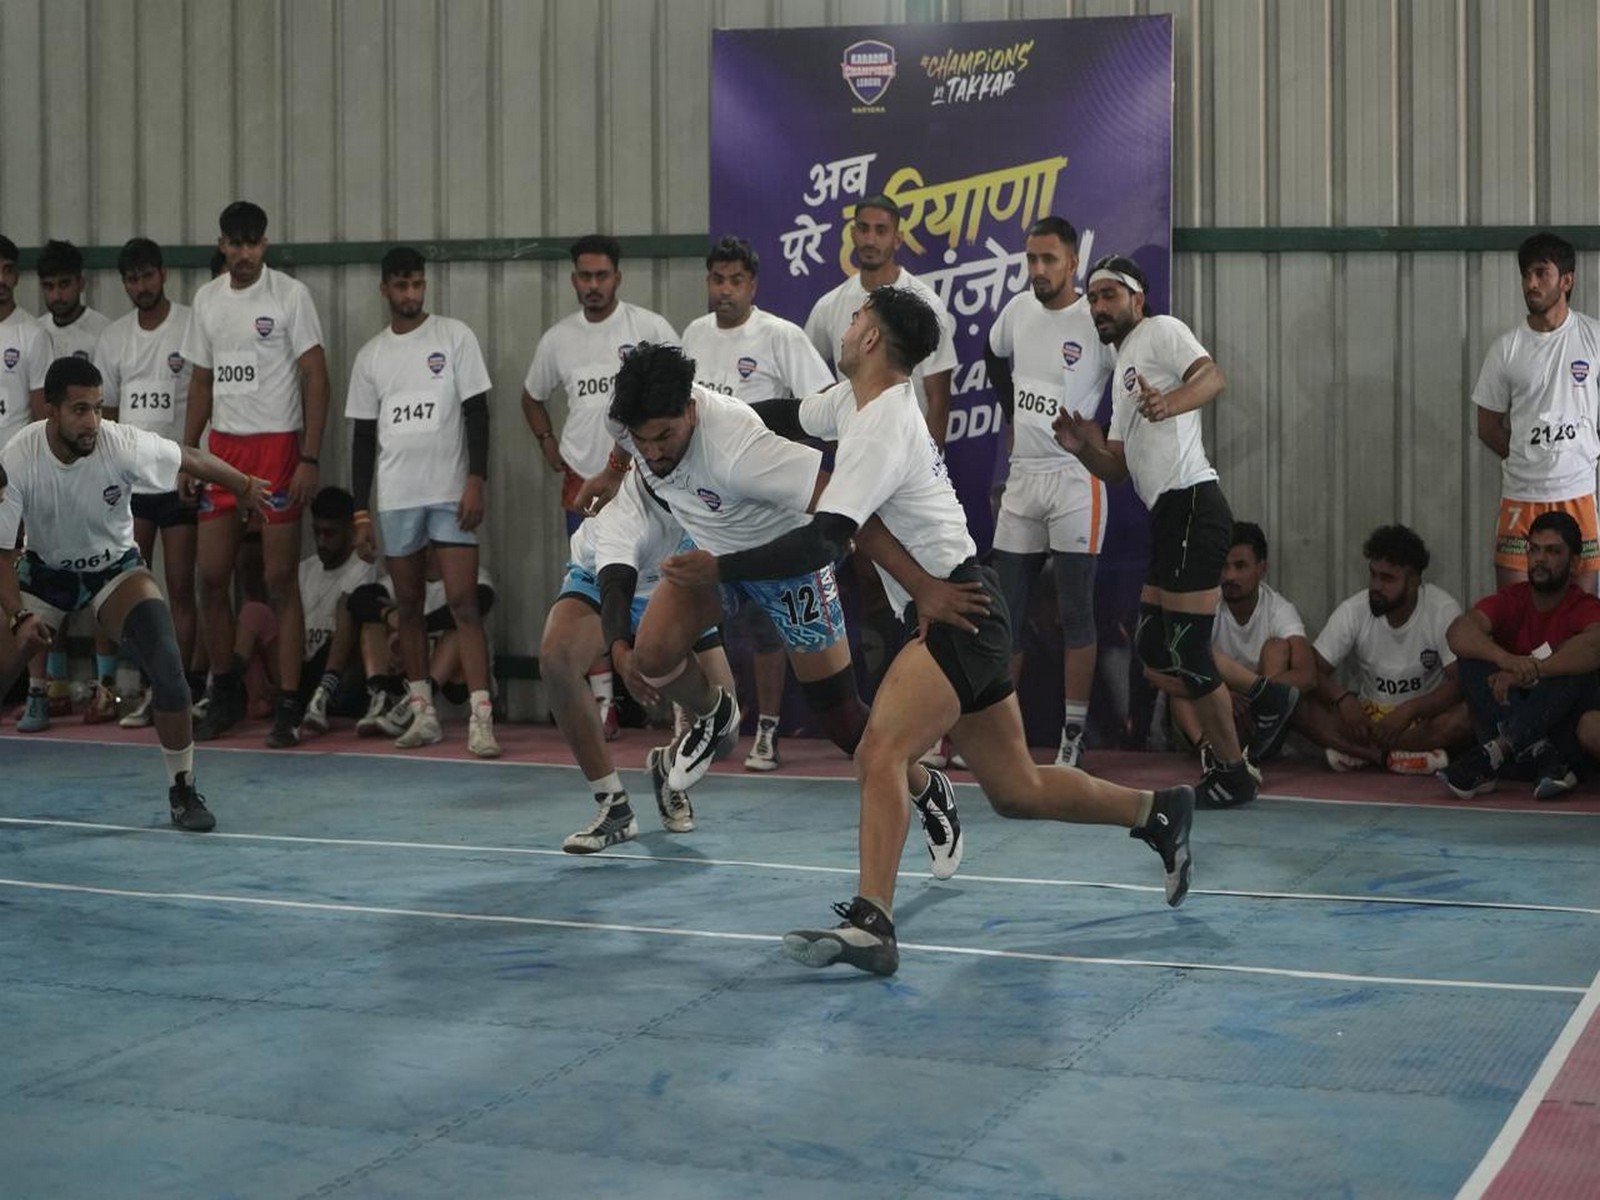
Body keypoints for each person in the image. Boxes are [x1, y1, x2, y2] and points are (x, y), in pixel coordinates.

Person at [659, 286, 1195, 976]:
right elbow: (788, 414)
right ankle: (1160, 812)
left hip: (956, 609)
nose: (846, 327)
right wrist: (701, 420)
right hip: (962, 604)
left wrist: (721, 569)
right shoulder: (854, 399)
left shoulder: (883, 422)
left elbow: (826, 542)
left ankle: (873, 921)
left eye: (856, 320)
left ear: (874, 338)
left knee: (878, 752)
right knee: (1018, 789)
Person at [579, 342, 982, 881]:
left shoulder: (742, 453)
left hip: (789, 562)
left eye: (665, 438)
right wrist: (612, 473)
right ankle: (714, 715)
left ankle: (929, 789)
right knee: (648, 654)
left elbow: (844, 517)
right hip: (711, 556)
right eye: (641, 441)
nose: (653, 454)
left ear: (692, 411)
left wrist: (920, 586)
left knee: (844, 724)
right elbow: (626, 445)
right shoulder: (630, 423)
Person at [0, 356, 273, 831]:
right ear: (50, 410)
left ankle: (183, 791)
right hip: (44, 574)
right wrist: (18, 616)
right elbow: (1, 554)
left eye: (99, 409)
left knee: (169, 670)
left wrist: (244, 484)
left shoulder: (119, 443)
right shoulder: (18, 456)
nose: (93, 423)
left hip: (113, 570)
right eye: (80, 410)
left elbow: (188, 456)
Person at [1053, 254, 1277, 808]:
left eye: (1110, 295)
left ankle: (1233, 770)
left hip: (1194, 504)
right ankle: (1268, 701)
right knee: (1155, 646)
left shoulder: (1162, 331)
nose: (1099, 306)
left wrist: (1169, 402)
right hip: (1168, 515)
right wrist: (1084, 448)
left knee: (1185, 646)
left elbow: (1212, 377)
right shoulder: (1123, 366)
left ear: (1138, 299)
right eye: (1094, 298)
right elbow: (1118, 468)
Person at [681, 235, 834, 772]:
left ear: (753, 285)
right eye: (717, 279)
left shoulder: (780, 336)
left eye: (736, 281)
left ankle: (768, 731)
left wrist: (794, 475)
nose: (725, 290)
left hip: (768, 509)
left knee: (770, 628)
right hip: (706, 509)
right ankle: (710, 721)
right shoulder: (694, 336)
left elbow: (822, 405)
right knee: (699, 619)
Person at [182, 200, 330, 747]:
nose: (243, 253)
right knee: (211, 576)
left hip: (277, 450)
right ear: (222, 245)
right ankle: (226, 692)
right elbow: (201, 381)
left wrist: (309, 457)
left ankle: (289, 704)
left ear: (264, 245)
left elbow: (317, 376)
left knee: (278, 580)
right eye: (234, 243)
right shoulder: (207, 301)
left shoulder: (290, 295)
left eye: (253, 244)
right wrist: (186, 452)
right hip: (222, 451)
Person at [519, 234, 677, 739]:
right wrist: (547, 441)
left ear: (618, 277)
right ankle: (606, 703)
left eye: (601, 276)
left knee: (657, 585)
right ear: (573, 280)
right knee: (592, 587)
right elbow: (531, 396)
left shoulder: (649, 328)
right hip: (583, 487)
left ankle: (680, 707)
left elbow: (679, 394)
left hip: (645, 484)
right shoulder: (557, 340)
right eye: (584, 277)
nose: (592, 285)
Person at [347, 246, 500, 757]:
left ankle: (481, 717)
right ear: (385, 289)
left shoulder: (454, 337)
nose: (411, 294)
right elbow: (364, 438)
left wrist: (475, 479)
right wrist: (361, 511)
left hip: (449, 494)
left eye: (417, 285)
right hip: (396, 499)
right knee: (408, 606)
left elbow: (478, 413)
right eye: (401, 285)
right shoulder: (371, 356)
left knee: (462, 603)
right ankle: (422, 713)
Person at [984, 216, 1117, 767]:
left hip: (1074, 481)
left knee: (1075, 614)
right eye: (1031, 259)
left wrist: (1108, 442)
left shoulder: (1096, 320)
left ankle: (1073, 734)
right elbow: (995, 356)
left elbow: (1131, 378)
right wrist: (1011, 413)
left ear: (1073, 263)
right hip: (1023, 479)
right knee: (1005, 616)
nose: (1037, 270)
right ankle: (1000, 736)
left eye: (1049, 261)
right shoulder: (1016, 311)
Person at [541, 465, 730, 851]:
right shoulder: (625, 517)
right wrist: (621, 653)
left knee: (725, 735)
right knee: (556, 658)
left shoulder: (717, 469)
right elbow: (615, 592)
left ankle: (667, 764)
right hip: (607, 580)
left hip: (678, 587)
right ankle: (613, 806)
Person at [96, 238, 199, 729]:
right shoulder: (114, 339)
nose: (141, 286)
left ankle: (180, 689)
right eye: (131, 279)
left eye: (147, 276)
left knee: (180, 586)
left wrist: (188, 464)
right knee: (133, 591)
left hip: (175, 478)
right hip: (130, 485)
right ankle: (151, 688)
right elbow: (108, 415)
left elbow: (202, 395)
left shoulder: (189, 326)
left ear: (162, 275)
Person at [1439, 511, 1600, 801]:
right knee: (1472, 658)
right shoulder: (1513, 599)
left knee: (1574, 665)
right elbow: (1458, 632)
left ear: (1574, 563)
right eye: (1534, 550)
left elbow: (1594, 647)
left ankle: (1498, 752)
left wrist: (1533, 671)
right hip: (1520, 740)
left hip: (1562, 738)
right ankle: (1539, 755)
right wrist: (1507, 660)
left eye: (1552, 551)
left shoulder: (1583, 606)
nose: (1540, 559)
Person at [1473, 232, 1600, 593]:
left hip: (1579, 494)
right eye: (1526, 274)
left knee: (1583, 616)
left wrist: (1580, 454)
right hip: (1521, 496)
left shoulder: (1594, 338)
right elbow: (1487, 426)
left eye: (1542, 273)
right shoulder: (1506, 349)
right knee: (1514, 610)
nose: (1531, 283)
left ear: (1567, 280)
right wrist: (1530, 456)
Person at [1292, 524, 1473, 772]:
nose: (1376, 586)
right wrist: (1343, 699)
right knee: (1292, 701)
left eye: (1387, 578)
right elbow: (1310, 670)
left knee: (1467, 713)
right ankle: (1394, 757)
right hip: (1368, 719)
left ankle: (1361, 754)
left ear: (1413, 582)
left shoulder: (1441, 610)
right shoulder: (1353, 610)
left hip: (1420, 721)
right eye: (1373, 574)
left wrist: (1410, 710)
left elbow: (1460, 682)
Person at [33, 239, 117, 722]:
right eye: (49, 286)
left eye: (65, 284)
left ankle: (107, 685)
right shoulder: (35, 333)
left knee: (103, 578)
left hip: (93, 472)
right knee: (48, 578)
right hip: (49, 475)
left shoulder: (103, 332)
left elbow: (105, 410)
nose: (58, 294)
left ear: (80, 283)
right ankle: (55, 682)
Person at [1163, 522, 1313, 763]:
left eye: (1240, 566)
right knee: (1179, 691)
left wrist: (1257, 695)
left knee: (1277, 647)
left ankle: (1261, 741)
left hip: (1255, 716)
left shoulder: (1279, 609)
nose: (1230, 576)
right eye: (1224, 566)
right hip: (1217, 713)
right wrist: (1224, 695)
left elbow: (1307, 676)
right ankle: (1209, 753)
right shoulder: (1206, 604)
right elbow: (1173, 674)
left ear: (1261, 568)